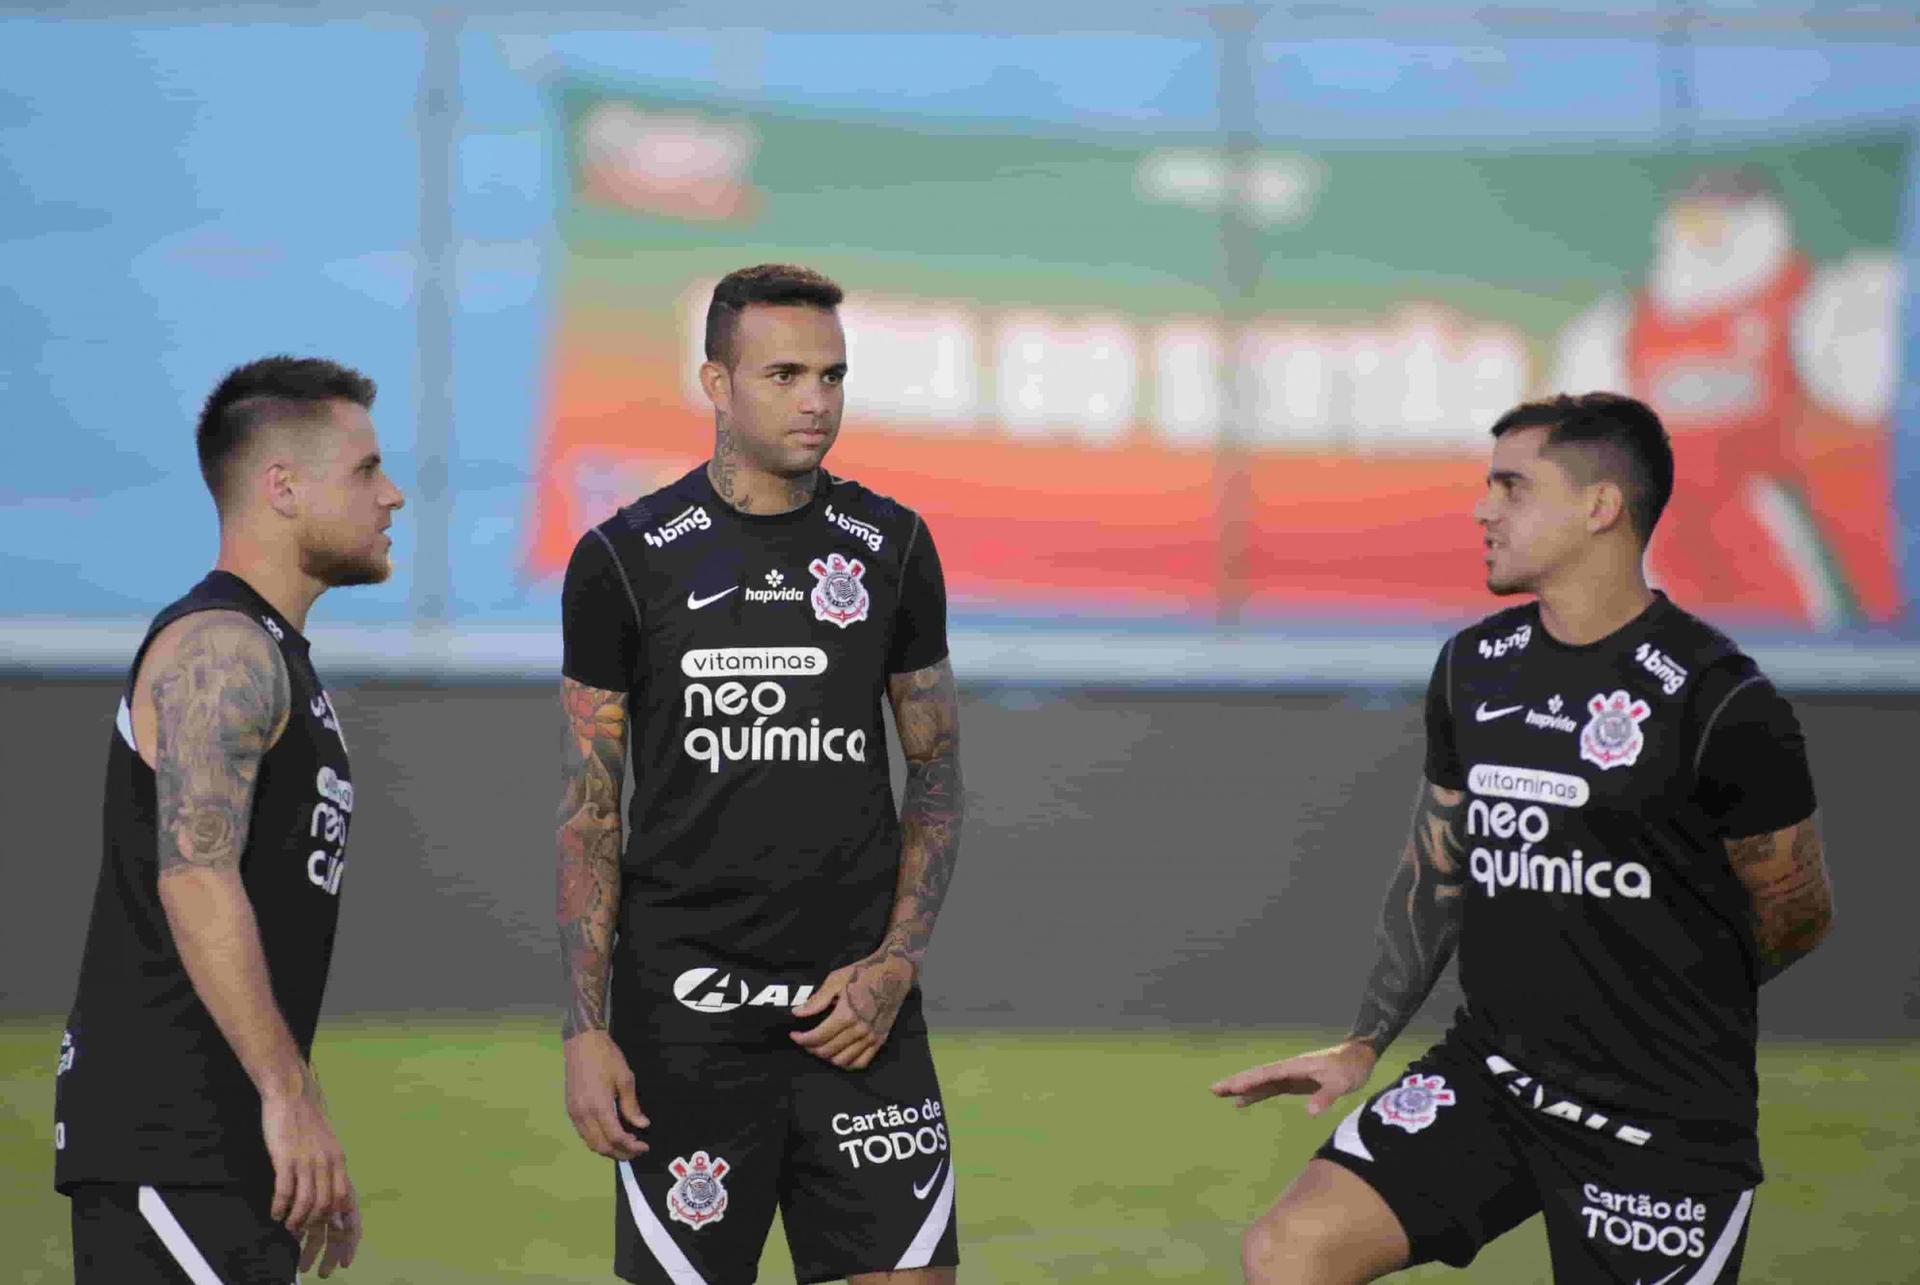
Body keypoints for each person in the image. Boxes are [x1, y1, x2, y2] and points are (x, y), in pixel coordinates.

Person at [1212, 391, 1835, 1284]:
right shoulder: (1473, 667)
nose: (1482, 508)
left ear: (1600, 507)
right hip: (1491, 1078)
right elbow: (1438, 870)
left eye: (1512, 486)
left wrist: (1659, 997)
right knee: (1290, 1249)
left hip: (1659, 1118)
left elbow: (1797, 912)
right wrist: (1362, 1042)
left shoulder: (1722, 700)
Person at [556, 263, 967, 1285]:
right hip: (685, 1028)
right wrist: (584, 1027)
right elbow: (591, 814)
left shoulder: (894, 547)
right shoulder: (623, 559)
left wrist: (897, 963)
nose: (816, 401)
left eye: (832, 375)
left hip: (858, 1022)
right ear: (714, 382)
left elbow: (939, 779)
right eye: (783, 373)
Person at [55, 356, 405, 1281]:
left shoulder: (277, 657)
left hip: (219, 1146)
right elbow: (196, 875)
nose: (394, 494)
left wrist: (294, 1116)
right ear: (281, 486)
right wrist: (289, 1097)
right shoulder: (220, 647)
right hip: (170, 1141)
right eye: (367, 470)